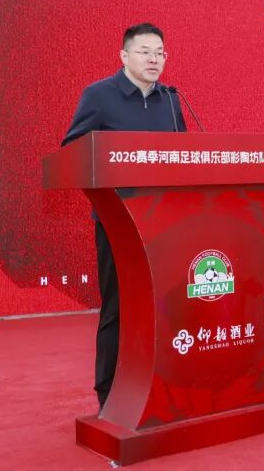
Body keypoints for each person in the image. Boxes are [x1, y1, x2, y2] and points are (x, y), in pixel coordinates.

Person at [62, 23, 185, 410]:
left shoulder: (170, 100)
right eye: (145, 52)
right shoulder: (99, 96)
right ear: (124, 56)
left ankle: (165, 383)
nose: (154, 59)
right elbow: (73, 152)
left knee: (167, 306)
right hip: (119, 225)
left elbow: (186, 157)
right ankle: (109, 394)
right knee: (118, 307)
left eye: (160, 53)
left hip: (166, 224)